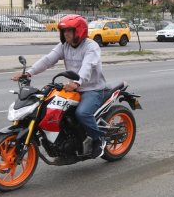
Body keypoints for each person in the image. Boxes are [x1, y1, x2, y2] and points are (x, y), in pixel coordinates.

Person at [12, 14, 109, 156]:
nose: (66, 34)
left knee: (82, 113)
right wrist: (29, 73)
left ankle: (99, 139)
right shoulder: (64, 46)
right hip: (71, 88)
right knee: (48, 107)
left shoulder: (91, 47)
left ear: (79, 31)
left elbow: (87, 66)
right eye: (64, 31)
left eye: (69, 30)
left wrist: (77, 82)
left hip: (91, 89)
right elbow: (47, 60)